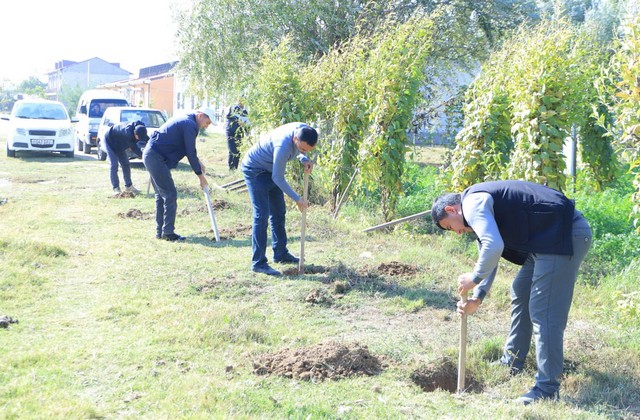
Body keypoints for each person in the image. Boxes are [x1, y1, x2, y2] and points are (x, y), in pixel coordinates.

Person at [431, 180, 591, 405]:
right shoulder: (477, 207)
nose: (457, 233)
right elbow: (490, 255)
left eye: (450, 227)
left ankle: (547, 389)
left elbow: (493, 245)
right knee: (521, 290)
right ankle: (513, 361)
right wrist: (478, 297)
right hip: (547, 241)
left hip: (565, 235)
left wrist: (473, 278)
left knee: (544, 313)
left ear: (451, 209)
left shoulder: (473, 203)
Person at [241, 123, 318, 276]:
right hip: (255, 170)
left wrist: (304, 158)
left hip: (271, 170)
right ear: (295, 138)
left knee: (278, 212)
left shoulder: (305, 131)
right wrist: (297, 198)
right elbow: (278, 177)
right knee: (261, 215)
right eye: (302, 149)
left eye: (308, 150)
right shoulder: (282, 145)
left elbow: (299, 152)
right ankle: (259, 263)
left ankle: (281, 253)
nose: (303, 151)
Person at [142, 108, 213, 242]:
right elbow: (190, 152)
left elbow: (188, 149)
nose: (206, 126)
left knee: (161, 195)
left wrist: (199, 162)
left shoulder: (187, 121)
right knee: (169, 194)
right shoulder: (190, 125)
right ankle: (168, 233)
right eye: (207, 122)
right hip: (155, 157)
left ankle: (161, 232)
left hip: (152, 155)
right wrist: (201, 177)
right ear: (201, 115)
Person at [104, 121, 149, 195]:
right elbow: (135, 149)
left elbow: (147, 139)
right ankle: (116, 188)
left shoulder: (141, 129)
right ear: (134, 133)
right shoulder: (127, 133)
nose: (139, 139)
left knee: (126, 164)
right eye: (138, 137)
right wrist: (145, 156)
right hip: (109, 141)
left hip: (120, 143)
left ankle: (129, 186)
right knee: (114, 164)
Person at [224, 99, 249, 170]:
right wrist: (241, 121)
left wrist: (247, 133)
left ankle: (235, 168)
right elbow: (230, 116)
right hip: (231, 133)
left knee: (238, 151)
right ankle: (231, 168)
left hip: (239, 135)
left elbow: (247, 123)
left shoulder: (245, 112)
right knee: (232, 150)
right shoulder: (233, 107)